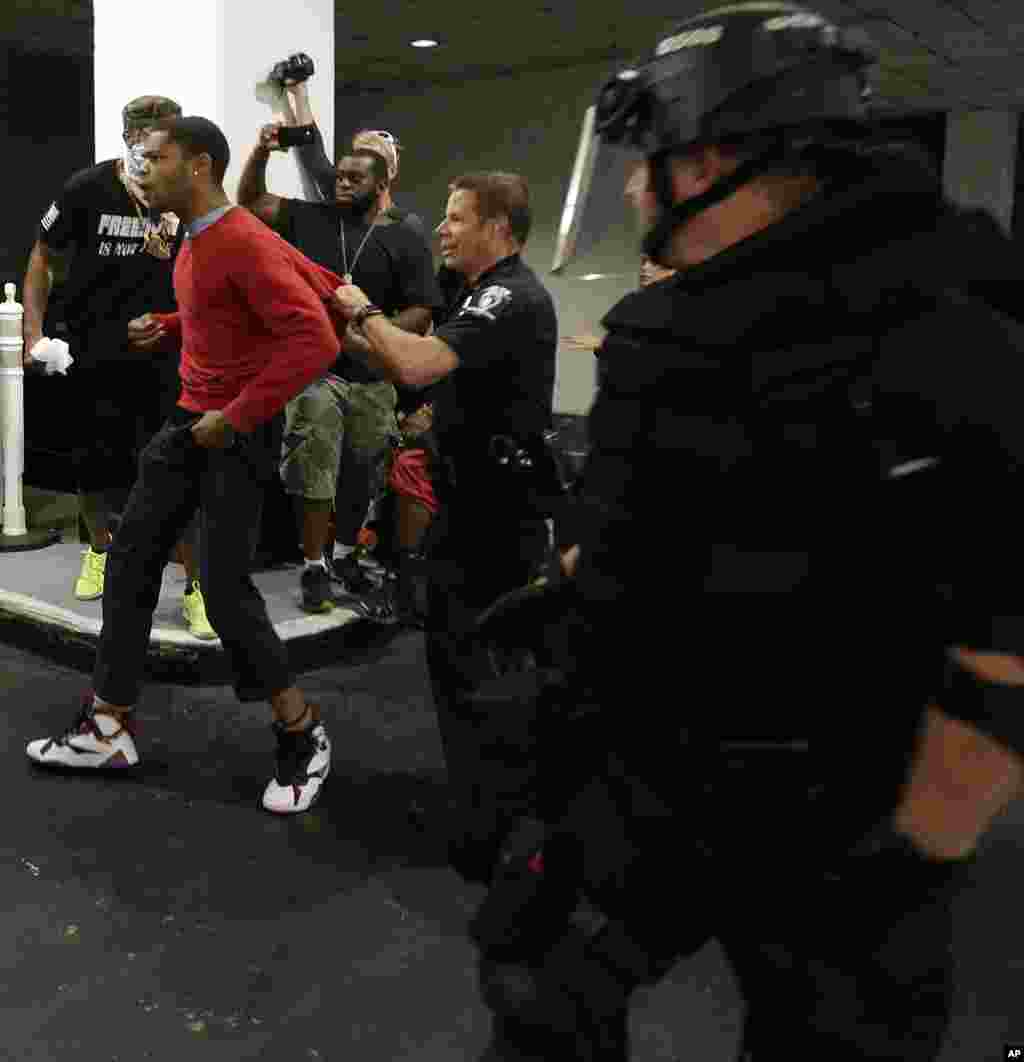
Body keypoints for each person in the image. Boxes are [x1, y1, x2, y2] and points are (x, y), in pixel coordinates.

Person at [466, 4, 1024, 1060]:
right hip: (649, 773)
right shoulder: (679, 329)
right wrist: (574, 584)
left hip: (838, 801)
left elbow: (1003, 646)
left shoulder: (943, 337)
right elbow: (680, 508)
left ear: (718, 154)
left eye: (651, 160)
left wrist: (911, 857)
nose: (634, 188)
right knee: (537, 989)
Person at [26, 115, 350, 816]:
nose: (143, 163)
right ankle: (109, 727)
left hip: (233, 432)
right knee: (131, 561)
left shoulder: (238, 240)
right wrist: (170, 327)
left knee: (228, 595)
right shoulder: (192, 237)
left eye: (159, 155)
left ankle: (303, 732)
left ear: (199, 165)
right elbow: (225, 316)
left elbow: (315, 343)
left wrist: (233, 417)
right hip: (187, 424)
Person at [331, 171, 560, 877]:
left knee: (481, 671)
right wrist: (345, 327)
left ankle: (499, 834)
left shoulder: (509, 296)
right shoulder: (475, 293)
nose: (442, 229)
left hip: (499, 517)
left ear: (497, 227)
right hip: (469, 506)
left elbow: (417, 359)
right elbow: (411, 371)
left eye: (458, 218)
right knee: (457, 663)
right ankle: (488, 812)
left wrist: (365, 311)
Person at [21, 95, 215, 640]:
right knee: (94, 462)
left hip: (166, 350)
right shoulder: (88, 187)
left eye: (162, 141)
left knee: (177, 470)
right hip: (94, 345)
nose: (150, 150)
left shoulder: (183, 194)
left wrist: (179, 321)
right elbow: (42, 255)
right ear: (127, 137)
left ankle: (196, 586)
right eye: (142, 139)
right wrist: (34, 334)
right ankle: (99, 550)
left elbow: (210, 270)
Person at [237, 124, 441, 617]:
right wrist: (261, 152)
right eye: (339, 177)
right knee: (317, 468)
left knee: (361, 472)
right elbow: (249, 200)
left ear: (379, 183)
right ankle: (312, 565)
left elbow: (421, 309)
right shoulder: (310, 217)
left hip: (372, 375)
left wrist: (375, 334)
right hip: (315, 370)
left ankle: (346, 554)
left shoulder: (404, 235)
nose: (342, 185)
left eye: (354, 179)